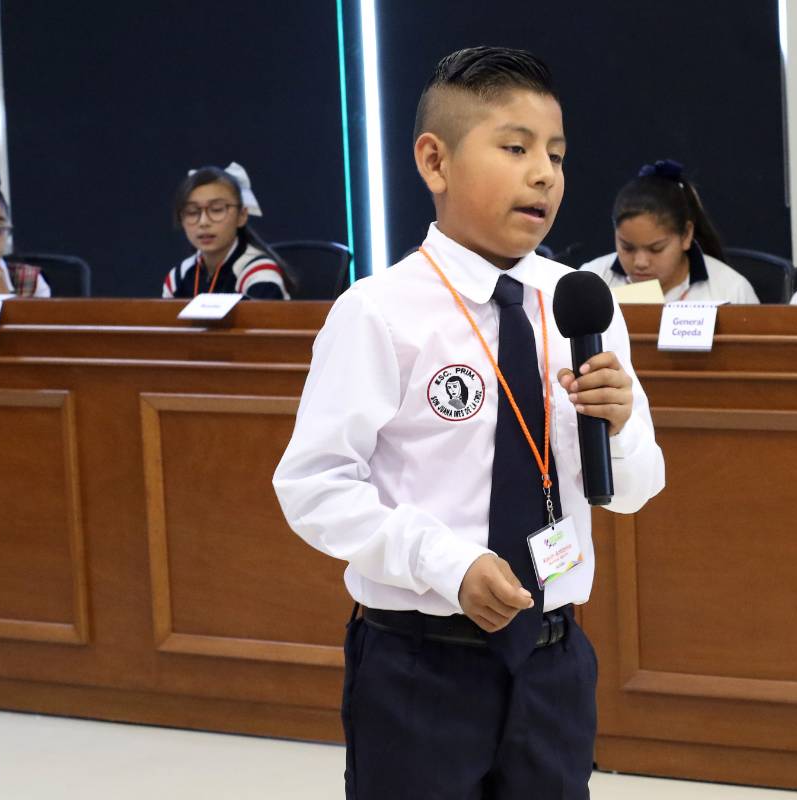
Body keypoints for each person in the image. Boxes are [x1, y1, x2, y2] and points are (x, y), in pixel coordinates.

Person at [273, 46, 665, 799]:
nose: (544, 173)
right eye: (515, 148)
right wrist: (446, 564)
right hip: (423, 663)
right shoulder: (378, 312)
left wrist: (620, 429)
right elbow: (315, 488)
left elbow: (633, 492)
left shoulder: (582, 305)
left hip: (553, 654)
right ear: (434, 160)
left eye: (556, 153)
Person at [580, 159, 759, 303]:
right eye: (627, 247)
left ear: (686, 235)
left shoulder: (731, 291)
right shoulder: (592, 280)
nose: (640, 262)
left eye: (656, 249)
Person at [162, 162, 291, 299]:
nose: (203, 222)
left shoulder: (261, 274)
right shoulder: (178, 277)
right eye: (192, 212)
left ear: (242, 215)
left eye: (217, 210)